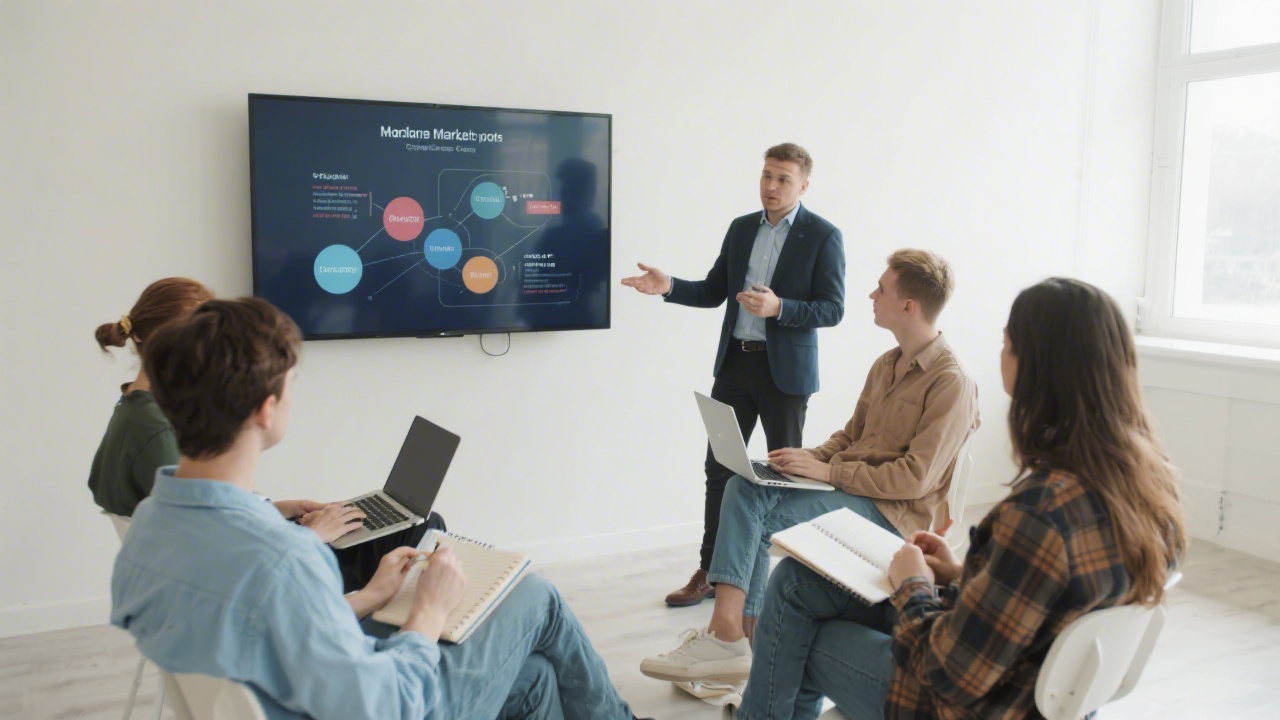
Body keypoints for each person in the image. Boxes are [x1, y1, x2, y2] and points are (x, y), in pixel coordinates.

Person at [111, 297, 646, 720]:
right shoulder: (283, 562)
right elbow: (392, 706)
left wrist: (370, 597)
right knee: (534, 593)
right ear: (266, 407)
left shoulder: (151, 527)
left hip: (295, 698)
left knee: (533, 678)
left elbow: (269, 638)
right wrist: (428, 615)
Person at [729, 277, 1186, 719]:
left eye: (1008, 345)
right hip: (1029, 686)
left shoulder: (1040, 512)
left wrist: (915, 585)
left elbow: (947, 672)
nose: (1001, 355)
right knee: (794, 581)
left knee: (803, 628)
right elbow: (1052, 597)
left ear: (1040, 368)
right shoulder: (1153, 489)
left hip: (961, 704)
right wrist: (962, 572)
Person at [640, 249, 979, 682]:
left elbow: (914, 479)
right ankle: (739, 643)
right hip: (851, 491)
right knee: (747, 484)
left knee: (752, 503)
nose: (871, 294)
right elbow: (851, 436)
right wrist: (808, 458)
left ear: (909, 306)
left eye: (882, 288)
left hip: (891, 516)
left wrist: (829, 472)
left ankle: (731, 639)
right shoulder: (886, 364)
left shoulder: (953, 382)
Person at [88, 277, 440, 592]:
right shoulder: (159, 429)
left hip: (240, 569)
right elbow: (225, 557)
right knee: (423, 527)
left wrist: (280, 510)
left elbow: (213, 514)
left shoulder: (133, 408)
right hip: (276, 580)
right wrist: (312, 536)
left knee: (403, 524)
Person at [622, 143, 846, 606]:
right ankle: (711, 573)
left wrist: (780, 307)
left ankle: (780, 581)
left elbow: (833, 308)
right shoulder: (742, 228)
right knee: (719, 470)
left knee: (785, 476)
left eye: (783, 178)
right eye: (766, 175)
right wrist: (669, 287)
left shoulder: (823, 235)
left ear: (803, 185)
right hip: (736, 366)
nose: (771, 185)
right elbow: (712, 291)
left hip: (785, 374)